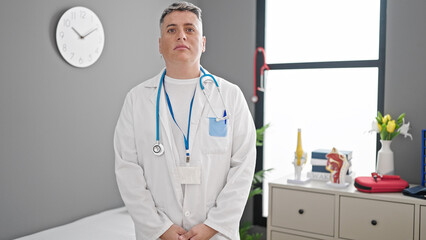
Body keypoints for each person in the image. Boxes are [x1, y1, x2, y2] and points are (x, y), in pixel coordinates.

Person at [114, 2, 256, 240]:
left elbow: (243, 166)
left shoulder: (229, 95)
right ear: (160, 44)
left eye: (190, 29)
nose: (181, 35)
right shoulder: (137, 99)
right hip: (158, 234)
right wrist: (159, 228)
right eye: (171, 30)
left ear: (203, 42)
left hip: (215, 234)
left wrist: (213, 226)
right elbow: (127, 169)